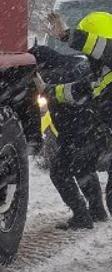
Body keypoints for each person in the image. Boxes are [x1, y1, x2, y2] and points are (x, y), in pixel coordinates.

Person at [38, 11, 112, 228]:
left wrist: (68, 36)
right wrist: (49, 90)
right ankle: (92, 213)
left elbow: (100, 47)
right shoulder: (100, 73)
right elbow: (78, 90)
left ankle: (87, 214)